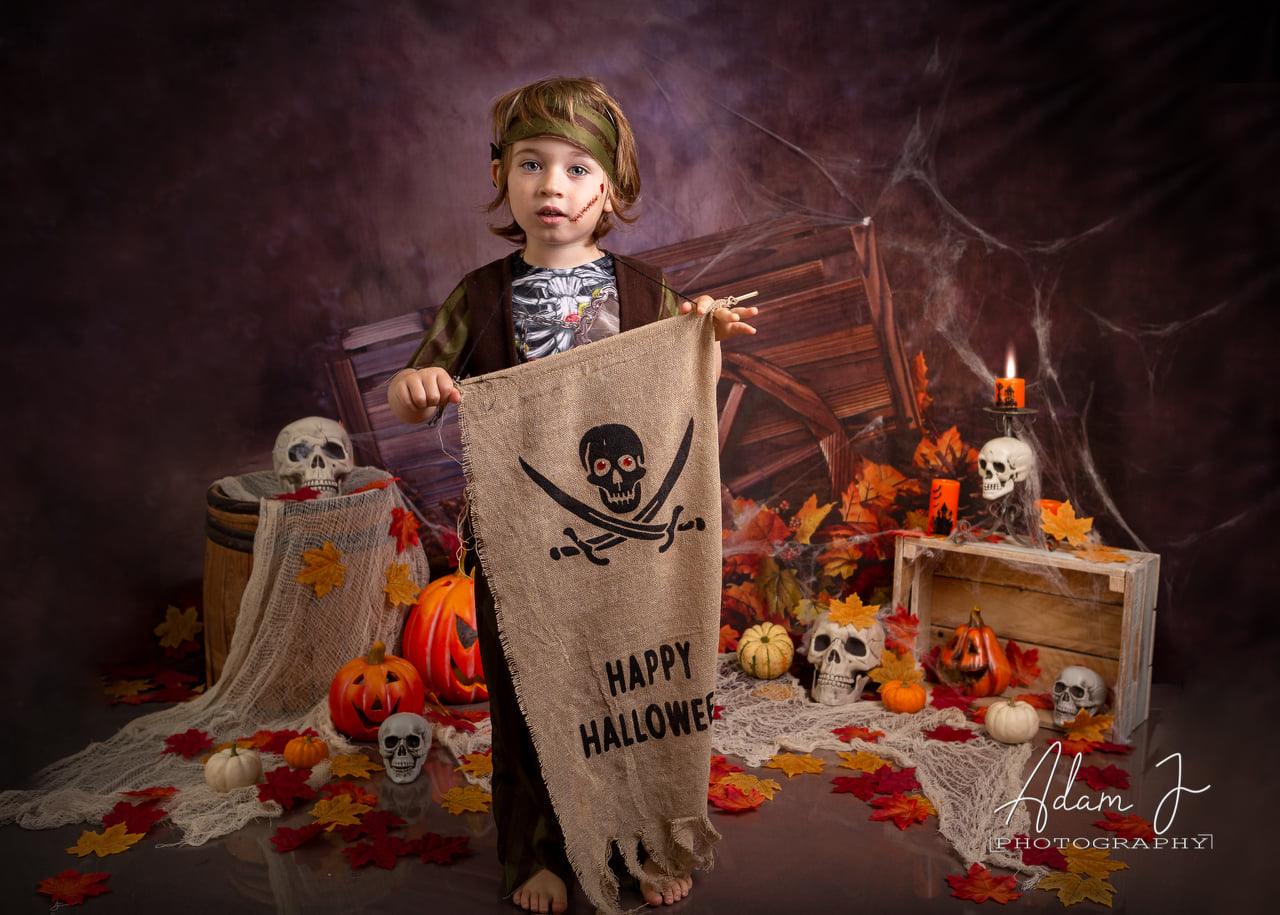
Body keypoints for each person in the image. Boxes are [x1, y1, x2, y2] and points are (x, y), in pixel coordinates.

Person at [387, 76, 757, 914]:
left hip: (627, 543)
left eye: (578, 169)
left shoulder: (644, 293)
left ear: (614, 190)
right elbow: (412, 383)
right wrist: (418, 387)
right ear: (499, 177)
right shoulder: (479, 298)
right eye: (531, 164)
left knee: (640, 695)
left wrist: (707, 335)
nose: (553, 186)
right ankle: (535, 853)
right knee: (530, 704)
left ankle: (653, 833)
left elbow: (680, 392)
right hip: (520, 546)